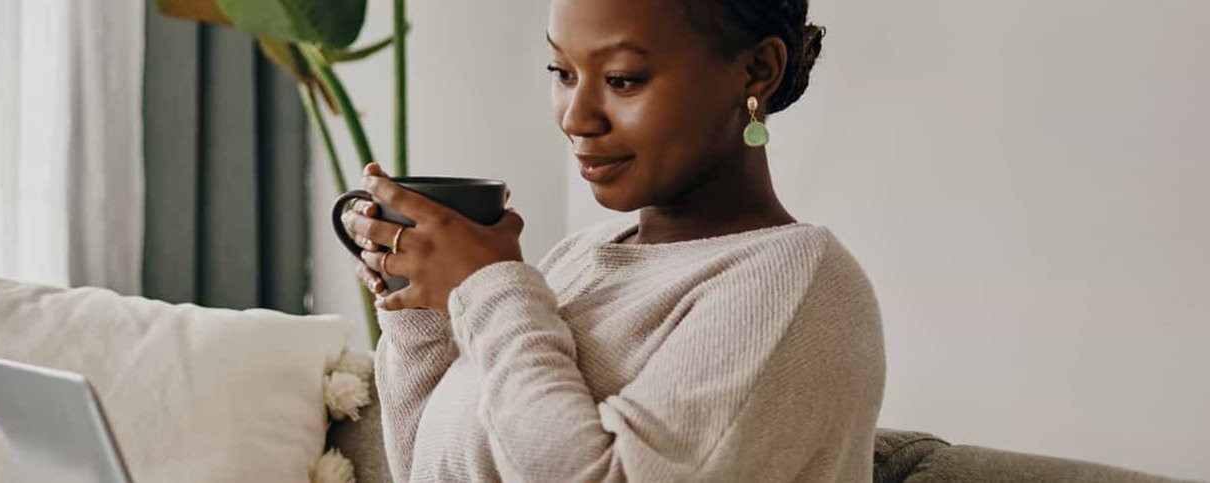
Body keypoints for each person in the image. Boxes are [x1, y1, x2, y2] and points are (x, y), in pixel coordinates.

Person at [336, 0, 882, 480]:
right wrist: (421, 310)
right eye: (562, 72)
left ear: (757, 70)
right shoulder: (577, 259)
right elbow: (432, 466)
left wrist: (489, 285)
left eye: (622, 80)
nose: (577, 118)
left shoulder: (791, 283)